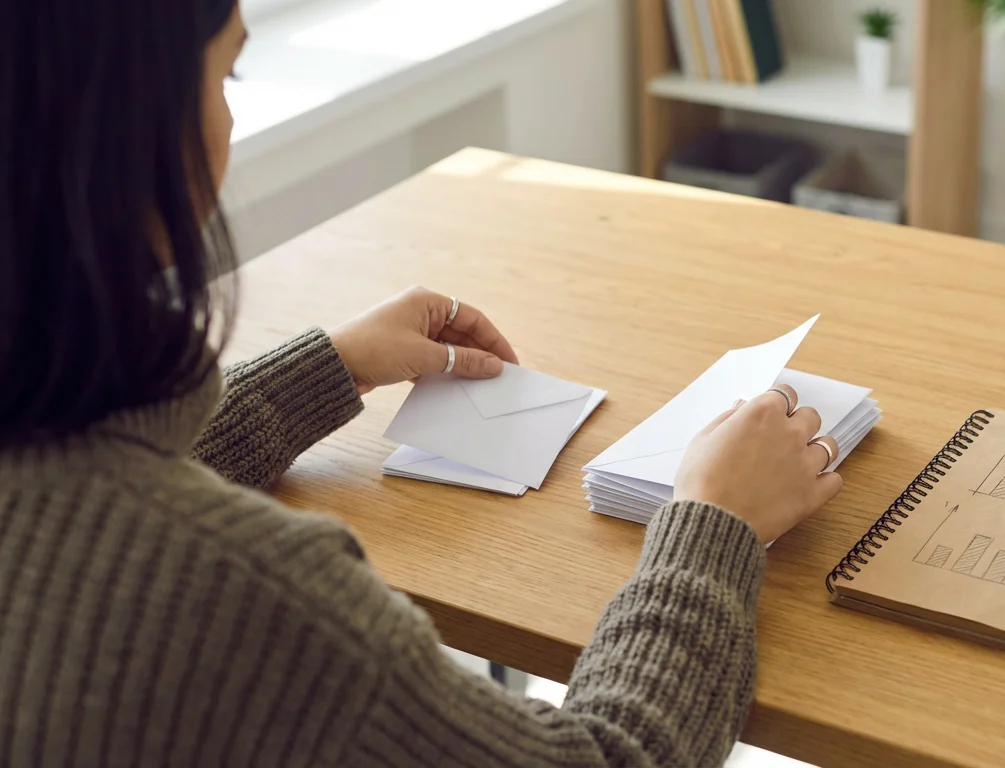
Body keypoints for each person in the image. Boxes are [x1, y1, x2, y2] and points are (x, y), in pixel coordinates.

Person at [0, 1, 844, 765]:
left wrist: (330, 367)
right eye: (226, 72)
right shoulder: (250, 598)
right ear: (124, 126)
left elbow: (85, 498)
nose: (227, 112)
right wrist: (713, 525)